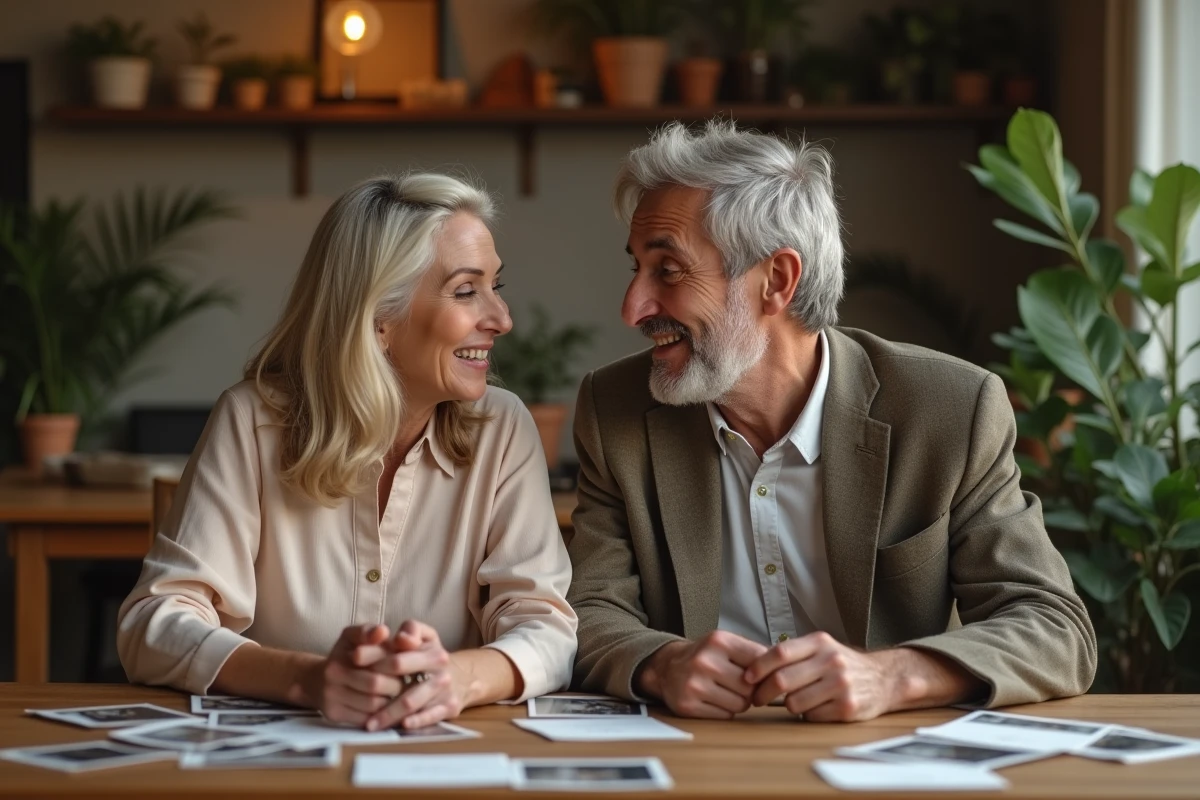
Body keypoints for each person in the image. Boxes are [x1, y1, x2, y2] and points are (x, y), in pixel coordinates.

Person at [567, 121, 1096, 722]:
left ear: (777, 281)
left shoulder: (950, 408)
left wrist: (893, 676)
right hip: (699, 756)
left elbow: (1054, 628)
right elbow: (586, 608)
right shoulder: (615, 409)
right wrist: (660, 663)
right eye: (635, 268)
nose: (633, 306)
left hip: (883, 758)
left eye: (668, 270)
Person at [118, 173, 577, 731]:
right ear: (379, 318)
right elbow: (154, 623)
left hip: (450, 757)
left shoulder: (503, 429)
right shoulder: (252, 420)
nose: (501, 319)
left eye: (495, 286)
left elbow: (547, 628)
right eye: (465, 291)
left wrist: (458, 679)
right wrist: (307, 679)